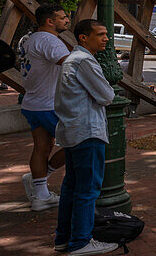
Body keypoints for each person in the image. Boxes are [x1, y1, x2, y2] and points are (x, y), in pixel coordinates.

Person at [54, 19, 117, 255]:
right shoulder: (84, 61)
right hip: (87, 131)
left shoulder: (72, 60)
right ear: (83, 37)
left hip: (73, 130)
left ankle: (64, 238)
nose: (106, 38)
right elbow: (107, 95)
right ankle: (81, 241)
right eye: (100, 34)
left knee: (71, 187)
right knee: (87, 189)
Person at [19, 2, 70, 211]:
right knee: (77, 143)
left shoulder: (30, 40)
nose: (67, 20)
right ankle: (42, 175)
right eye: (63, 17)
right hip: (50, 104)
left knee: (42, 147)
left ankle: (40, 195)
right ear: (50, 22)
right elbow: (72, 67)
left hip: (31, 103)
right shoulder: (51, 41)